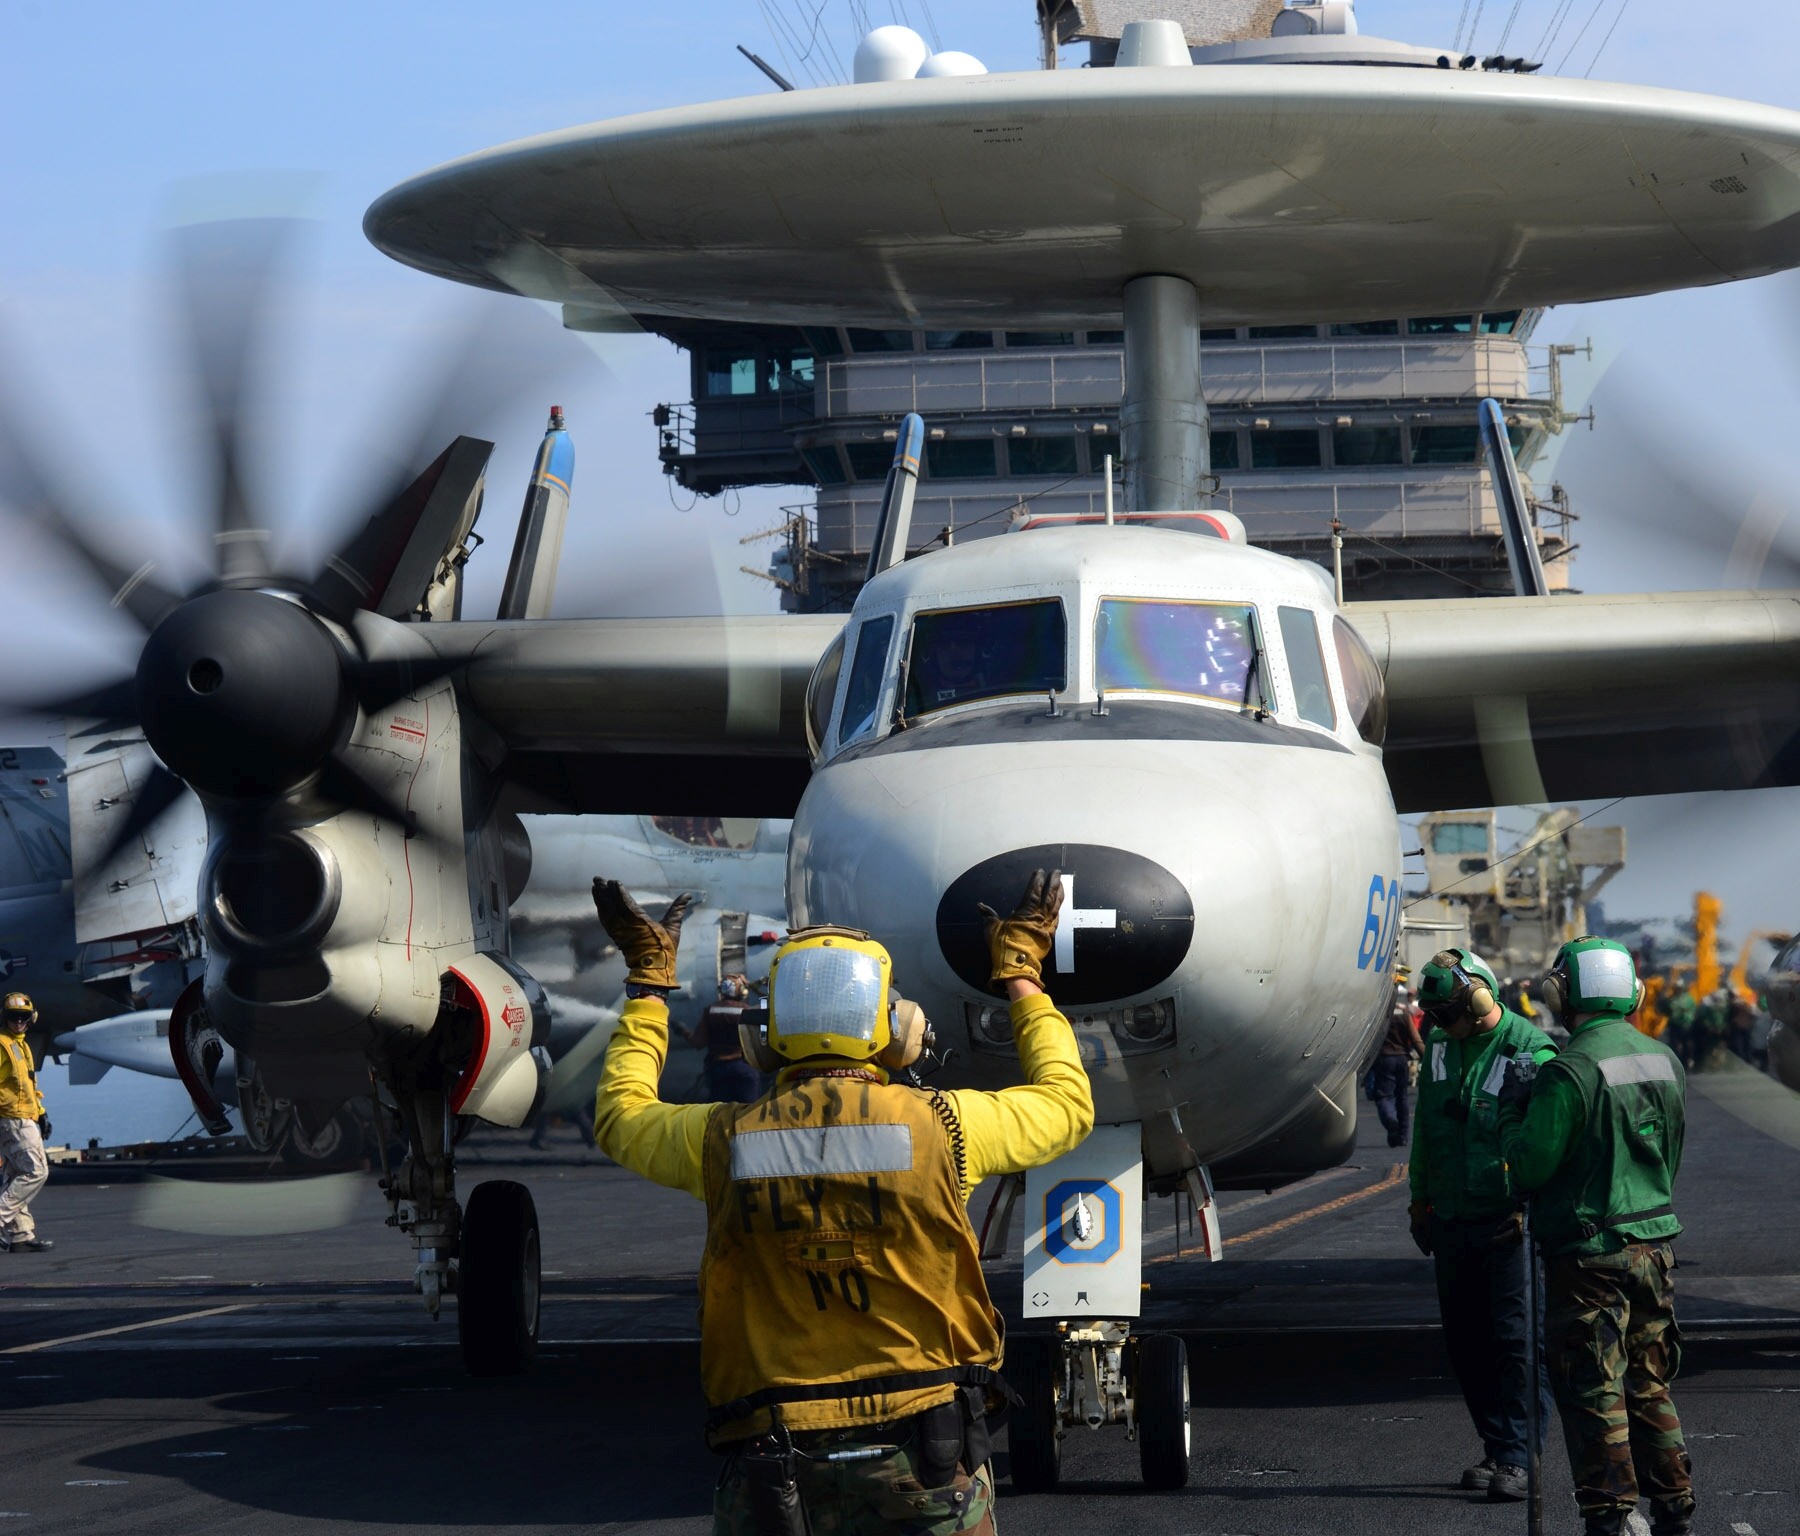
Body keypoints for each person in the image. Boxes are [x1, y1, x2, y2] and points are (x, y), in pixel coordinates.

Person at [590, 869, 1093, 1536]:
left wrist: (649, 987)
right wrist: (1022, 974)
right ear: (895, 1029)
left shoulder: (719, 1140)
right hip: (926, 1457)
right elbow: (1067, 1102)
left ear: (763, 1034)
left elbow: (621, 1115)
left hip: (777, 1466)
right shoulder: (946, 1127)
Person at [1500, 936, 1693, 1536]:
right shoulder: (1665, 1059)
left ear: (1564, 992)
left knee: (1594, 1391)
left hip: (1589, 1255)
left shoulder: (1570, 1070)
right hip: (1653, 1245)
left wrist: (1513, 1110)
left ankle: (1608, 1517)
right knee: (1649, 1381)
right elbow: (1671, 1156)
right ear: (1632, 992)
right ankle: (1675, 1505)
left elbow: (1529, 1167)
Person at [1406, 947, 1556, 1502]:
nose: (1441, 1027)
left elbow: (1543, 1144)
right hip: (1451, 1218)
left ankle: (1520, 1458)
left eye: (1448, 1013)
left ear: (1479, 996)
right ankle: (1497, 1448)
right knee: (1465, 1343)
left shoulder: (1529, 1051)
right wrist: (1419, 1202)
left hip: (1507, 1223)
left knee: (1516, 1344)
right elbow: (1426, 1130)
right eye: (1435, 1018)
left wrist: (1527, 1207)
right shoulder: (1444, 1045)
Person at [0, 991, 53, 1254]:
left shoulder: (20, 1044)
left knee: (14, 1174)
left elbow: (29, 1086)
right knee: (36, 1171)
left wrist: (41, 1113)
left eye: (22, 1017)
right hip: (12, 1119)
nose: (18, 1021)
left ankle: (19, 1235)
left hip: (24, 1116)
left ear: (31, 1018)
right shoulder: (2, 1044)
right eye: (13, 1017)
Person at [680, 973, 766, 1104]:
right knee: (750, 1112)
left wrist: (684, 1031)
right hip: (744, 1070)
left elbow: (698, 1042)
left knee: (719, 1115)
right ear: (741, 991)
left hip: (718, 1071)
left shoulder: (710, 1011)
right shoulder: (747, 1011)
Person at [1370, 978, 1424, 1148]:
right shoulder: (1404, 1014)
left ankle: (1391, 1121)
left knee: (1384, 1096)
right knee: (1402, 1098)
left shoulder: (1378, 1014)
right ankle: (1403, 1136)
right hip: (1402, 1059)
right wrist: (1427, 1058)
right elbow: (1416, 1039)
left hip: (1384, 1059)